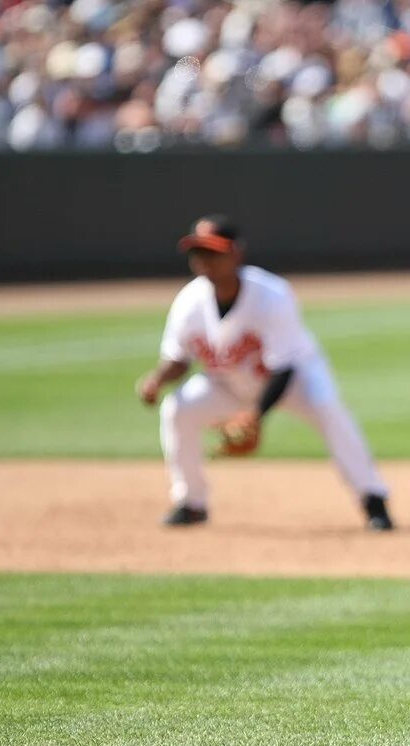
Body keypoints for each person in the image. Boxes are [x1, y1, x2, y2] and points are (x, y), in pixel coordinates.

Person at [136, 215, 394, 531]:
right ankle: (191, 503)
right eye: (197, 253)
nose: (205, 261)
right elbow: (178, 358)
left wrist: (255, 416)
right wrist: (157, 379)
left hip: (296, 379)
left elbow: (282, 368)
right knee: (178, 409)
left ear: (235, 254)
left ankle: (373, 500)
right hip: (228, 382)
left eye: (214, 252)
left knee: (329, 411)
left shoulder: (271, 295)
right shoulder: (189, 301)